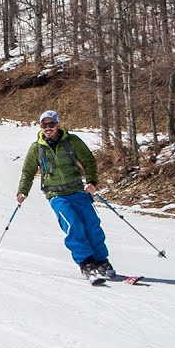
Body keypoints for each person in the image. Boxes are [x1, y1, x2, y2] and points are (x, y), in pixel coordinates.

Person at [16, 110, 115, 279]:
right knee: (73, 225)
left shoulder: (72, 141)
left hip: (77, 190)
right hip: (56, 194)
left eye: (51, 124)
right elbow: (28, 171)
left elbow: (89, 160)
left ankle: (101, 261)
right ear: (40, 127)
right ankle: (86, 262)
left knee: (92, 225)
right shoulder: (37, 148)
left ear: (58, 124)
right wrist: (23, 191)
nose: (48, 128)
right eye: (44, 125)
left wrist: (92, 181)